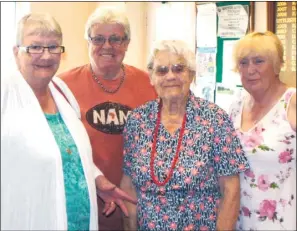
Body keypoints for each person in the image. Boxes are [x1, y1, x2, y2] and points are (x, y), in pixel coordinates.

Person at [1, 13, 136, 231]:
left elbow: (68, 153)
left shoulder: (61, 91)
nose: (45, 56)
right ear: (17, 52)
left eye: (53, 47)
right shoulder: (5, 94)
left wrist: (97, 179)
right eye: (35, 47)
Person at [120, 40, 250, 231]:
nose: (170, 76)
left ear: (191, 74)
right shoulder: (137, 120)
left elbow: (231, 189)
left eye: (179, 68)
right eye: (162, 70)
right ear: (152, 77)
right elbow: (129, 186)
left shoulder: (215, 119)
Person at [58, 6, 156, 230]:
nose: (107, 46)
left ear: (127, 43)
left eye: (116, 39)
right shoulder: (62, 86)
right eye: (98, 39)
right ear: (88, 42)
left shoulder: (150, 84)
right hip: (82, 205)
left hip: (137, 206)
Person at [229, 31, 296, 230]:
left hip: (284, 222)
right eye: (243, 62)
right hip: (240, 222)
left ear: (276, 65)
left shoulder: (291, 103)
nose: (250, 70)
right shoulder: (235, 107)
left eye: (259, 61)